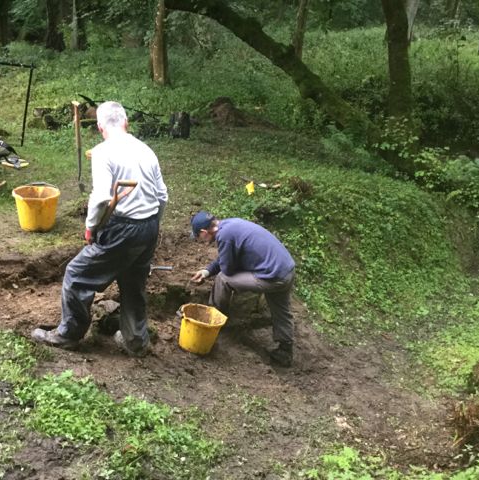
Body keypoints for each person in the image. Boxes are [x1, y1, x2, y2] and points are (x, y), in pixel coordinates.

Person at [32, 101, 168, 356]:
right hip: (149, 226)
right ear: (126, 123)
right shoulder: (146, 150)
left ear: (99, 127)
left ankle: (68, 335)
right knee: (133, 283)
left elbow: (102, 198)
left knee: (76, 275)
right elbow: (163, 196)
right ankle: (136, 341)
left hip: (123, 229)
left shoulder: (104, 152)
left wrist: (90, 227)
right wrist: (153, 225)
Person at [190, 211, 296, 367]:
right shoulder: (230, 224)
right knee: (280, 308)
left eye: (199, 238)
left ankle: (213, 320)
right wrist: (207, 271)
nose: (201, 241)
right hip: (285, 270)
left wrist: (216, 271)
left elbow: (228, 270)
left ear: (204, 232)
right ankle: (285, 351)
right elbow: (228, 256)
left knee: (223, 279)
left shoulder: (223, 236)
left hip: (272, 275)